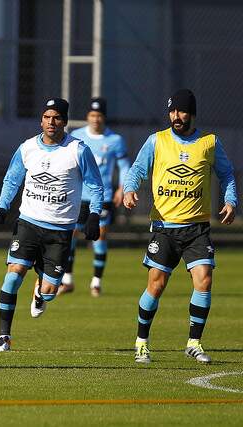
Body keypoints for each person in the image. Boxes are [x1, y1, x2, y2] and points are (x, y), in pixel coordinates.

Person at [123, 89, 237, 364]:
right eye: (173, 111)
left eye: (182, 111)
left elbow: (227, 174)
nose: (176, 116)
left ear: (192, 114)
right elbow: (138, 169)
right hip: (164, 228)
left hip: (197, 228)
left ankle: (194, 343)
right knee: (157, 284)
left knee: (204, 279)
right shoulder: (157, 141)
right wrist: (129, 189)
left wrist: (230, 200)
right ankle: (141, 343)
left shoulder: (209, 143)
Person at [0, 97, 104, 352]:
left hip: (60, 230)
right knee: (12, 276)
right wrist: (2, 205)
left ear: (64, 122)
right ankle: (4, 337)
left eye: (57, 118)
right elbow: (12, 179)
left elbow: (95, 185)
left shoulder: (78, 150)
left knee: (51, 290)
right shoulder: (27, 148)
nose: (51, 122)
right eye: (47, 117)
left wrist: (94, 214)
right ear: (41, 120)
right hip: (28, 223)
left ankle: (41, 292)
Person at [61, 98, 131, 296]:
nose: (95, 119)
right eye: (92, 115)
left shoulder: (115, 140)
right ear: (87, 117)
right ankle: (67, 280)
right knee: (71, 236)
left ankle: (96, 282)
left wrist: (122, 188)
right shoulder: (76, 136)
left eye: (99, 116)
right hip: (77, 196)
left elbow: (124, 166)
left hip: (103, 196)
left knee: (99, 236)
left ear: (104, 117)